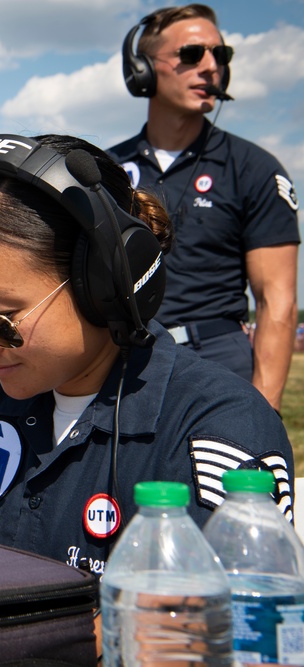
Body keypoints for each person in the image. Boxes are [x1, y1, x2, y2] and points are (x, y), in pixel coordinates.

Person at [0, 133, 294, 575]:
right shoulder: (4, 399)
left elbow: (219, 621)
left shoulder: (218, 425)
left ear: (104, 282)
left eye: (0, 320)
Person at [109, 4, 299, 412]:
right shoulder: (105, 171)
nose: (211, 67)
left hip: (220, 361)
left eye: (221, 55)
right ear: (141, 68)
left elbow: (276, 302)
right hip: (121, 360)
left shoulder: (254, 168)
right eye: (192, 54)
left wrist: (261, 413)